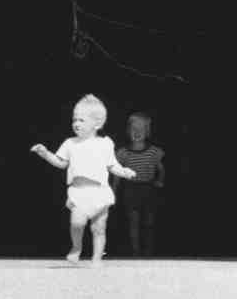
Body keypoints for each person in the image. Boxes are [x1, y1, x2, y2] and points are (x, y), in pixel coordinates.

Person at [30, 94, 136, 261]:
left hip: (100, 192)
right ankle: (76, 246)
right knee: (77, 223)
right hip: (79, 192)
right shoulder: (70, 143)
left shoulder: (105, 144)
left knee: (99, 228)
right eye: (74, 120)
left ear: (97, 124)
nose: (76, 124)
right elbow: (60, 163)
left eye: (81, 120)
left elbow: (112, 165)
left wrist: (124, 171)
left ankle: (96, 259)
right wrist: (45, 153)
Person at [113, 110, 166, 257]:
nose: (137, 132)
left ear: (147, 131)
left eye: (141, 129)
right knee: (133, 222)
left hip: (148, 189)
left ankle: (148, 252)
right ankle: (135, 252)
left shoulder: (154, 152)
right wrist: (113, 192)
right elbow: (117, 174)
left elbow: (160, 169)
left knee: (149, 221)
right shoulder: (123, 153)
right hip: (131, 190)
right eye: (133, 129)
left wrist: (160, 180)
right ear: (128, 131)